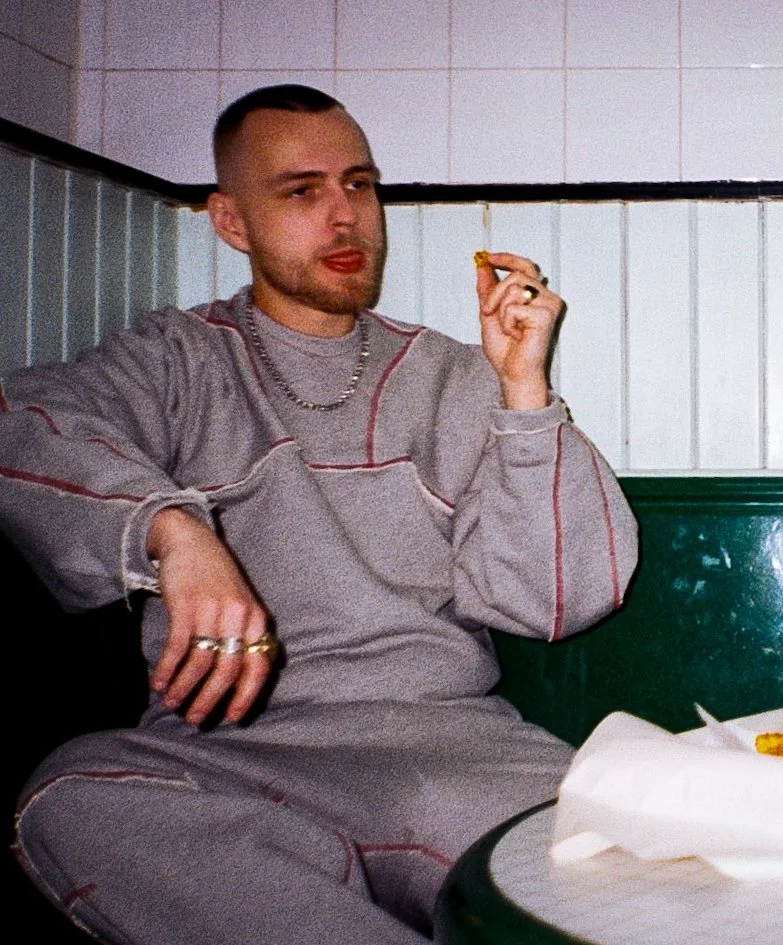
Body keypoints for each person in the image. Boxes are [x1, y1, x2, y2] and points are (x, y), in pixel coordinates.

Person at [0, 85, 637, 944]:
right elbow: (25, 424)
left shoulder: (454, 376)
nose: (345, 216)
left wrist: (525, 395)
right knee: (71, 794)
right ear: (231, 221)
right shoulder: (176, 359)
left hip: (449, 751)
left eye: (359, 185)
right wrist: (173, 533)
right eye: (302, 191)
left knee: (628, 862)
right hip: (226, 756)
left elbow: (560, 599)